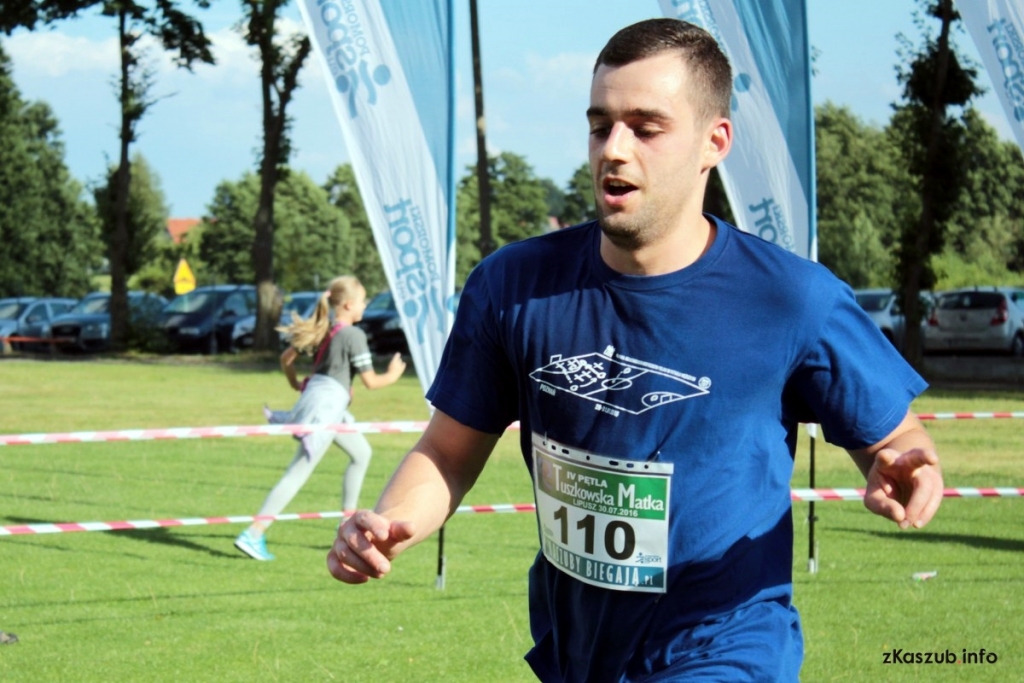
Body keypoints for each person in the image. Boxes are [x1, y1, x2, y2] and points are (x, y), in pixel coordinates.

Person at [327, 18, 943, 682]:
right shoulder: (513, 287)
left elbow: (895, 437)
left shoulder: (793, 297)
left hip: (724, 650)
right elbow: (448, 453)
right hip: (579, 653)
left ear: (714, 142)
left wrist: (903, 465)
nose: (613, 150)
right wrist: (389, 522)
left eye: (646, 128)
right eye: (601, 126)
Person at [234, 275, 406, 561]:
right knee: (298, 472)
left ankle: (346, 526)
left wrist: (294, 383)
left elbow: (286, 359)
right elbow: (371, 382)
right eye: (362, 301)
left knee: (361, 453)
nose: (365, 306)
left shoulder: (324, 328)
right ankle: (253, 533)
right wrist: (393, 374)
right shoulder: (353, 335)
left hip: (326, 405)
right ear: (348, 305)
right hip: (326, 409)